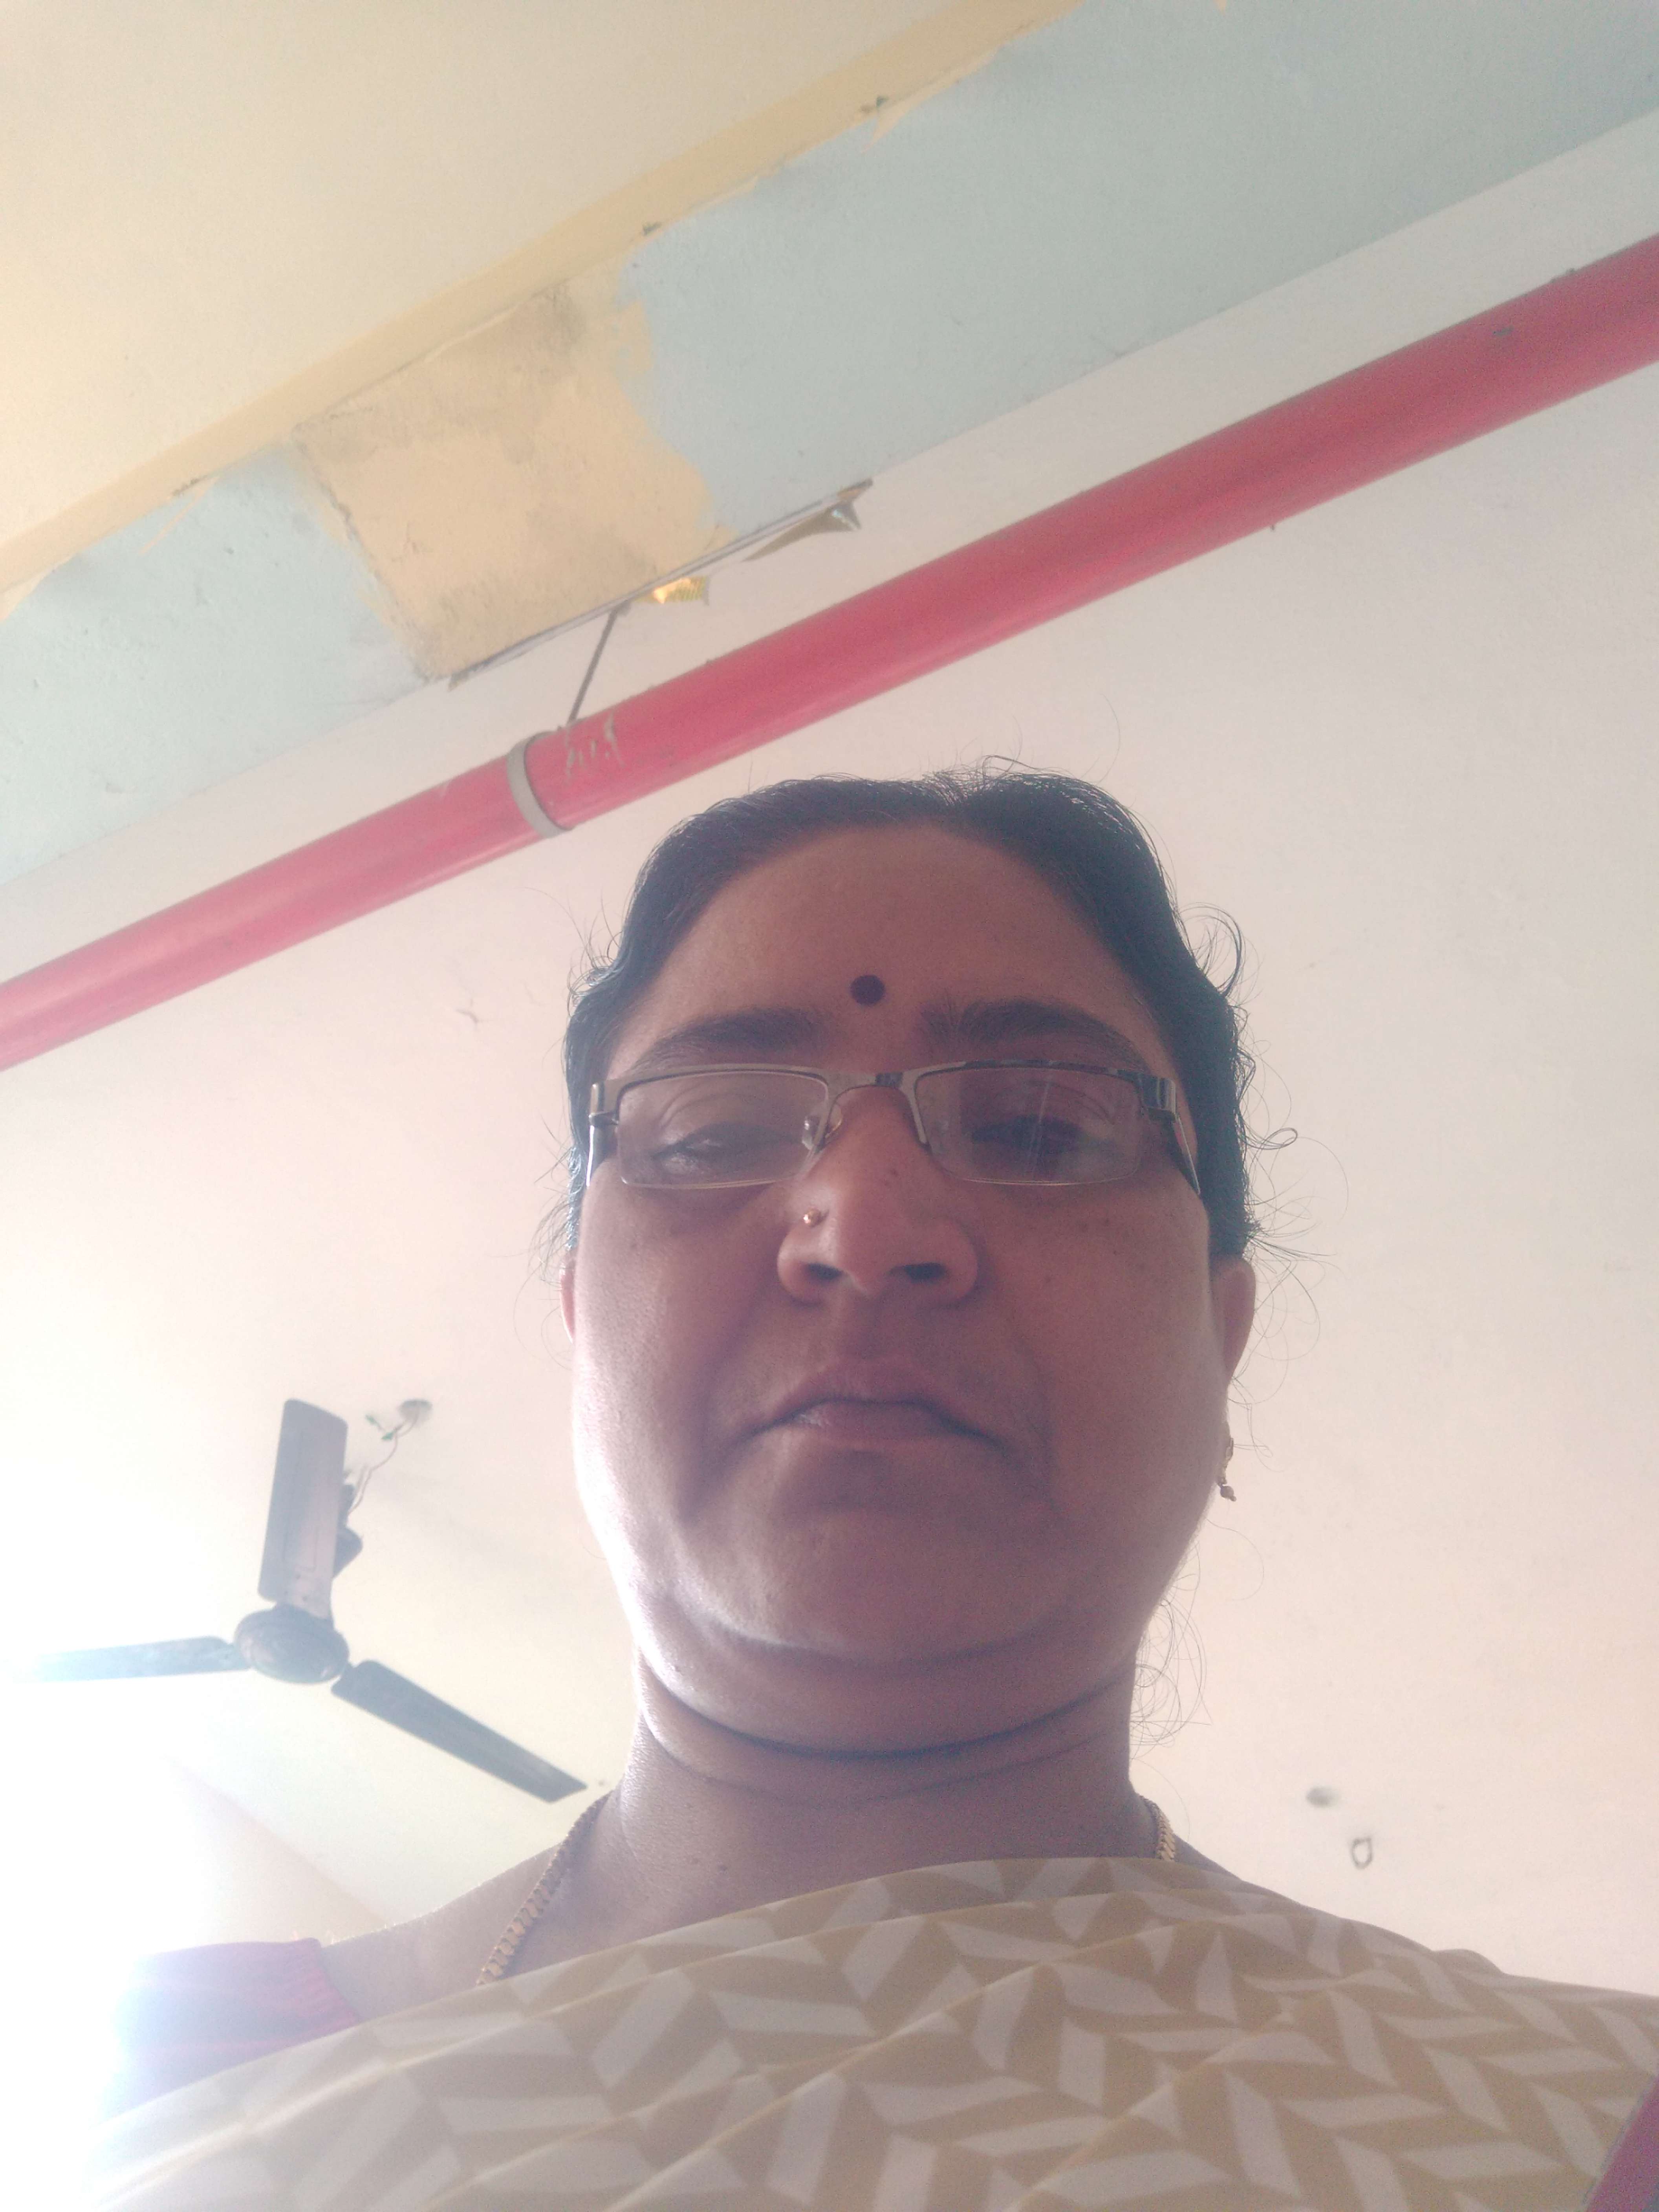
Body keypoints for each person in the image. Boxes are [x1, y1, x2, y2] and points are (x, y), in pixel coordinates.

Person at [98, 769, 1657, 2211]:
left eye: (1040, 1127)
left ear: (1220, 1342)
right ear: (582, 1323)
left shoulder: (1578, 2125)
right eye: (711, 1132)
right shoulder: (193, 2078)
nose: (865, 1223)